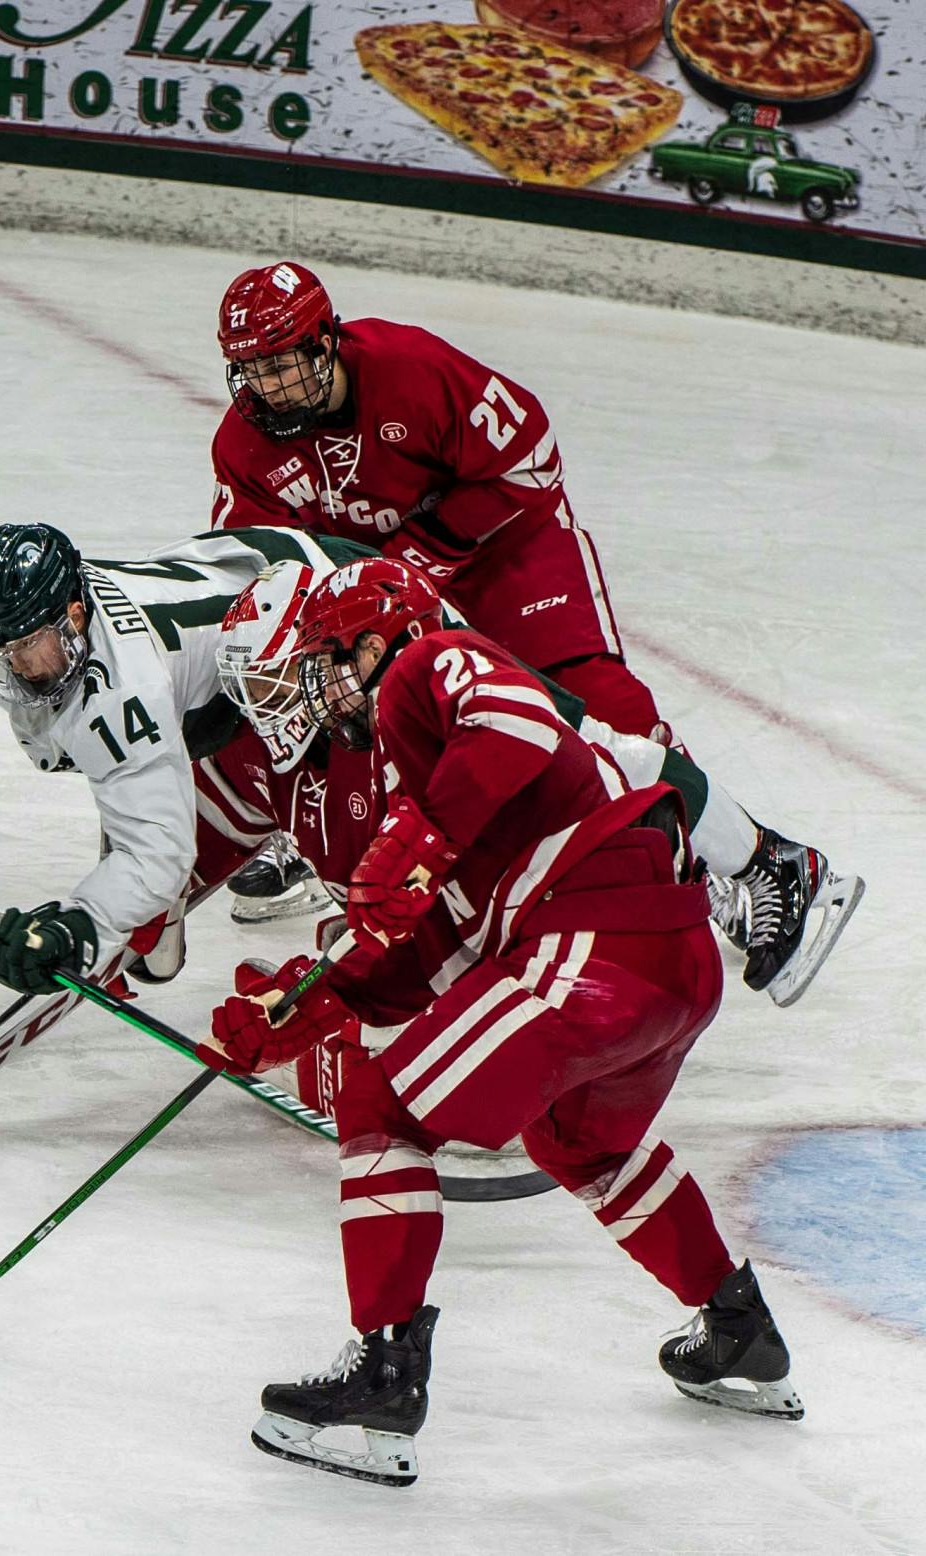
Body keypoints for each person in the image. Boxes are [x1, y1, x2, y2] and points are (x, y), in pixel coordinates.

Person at [197, 558, 802, 1488]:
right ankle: (737, 1324)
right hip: (663, 965)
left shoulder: (426, 668)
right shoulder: (414, 788)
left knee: (383, 1109)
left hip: (593, 942)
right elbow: (415, 967)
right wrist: (294, 1011)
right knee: (579, 1143)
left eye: (326, 662)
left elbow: (518, 724)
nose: (318, 693)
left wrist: (426, 832)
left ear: (373, 642)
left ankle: (386, 1370)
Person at [205, 260, 861, 961]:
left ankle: (757, 863)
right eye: (250, 370)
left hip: (506, 555)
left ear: (324, 343)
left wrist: (418, 557)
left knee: (600, 714)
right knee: (341, 701)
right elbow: (262, 566)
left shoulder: (410, 371)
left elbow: (530, 460)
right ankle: (315, 838)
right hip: (385, 596)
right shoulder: (242, 446)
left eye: (280, 365)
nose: (266, 389)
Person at [198, 562, 862, 1011]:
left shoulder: (393, 647)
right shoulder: (343, 696)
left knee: (606, 749)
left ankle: (766, 861)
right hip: (399, 656)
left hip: (438, 642)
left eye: (270, 684)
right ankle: (701, 871)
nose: (265, 708)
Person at [0, 522, 346, 995]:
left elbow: (158, 851)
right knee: (148, 941)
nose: (10, 670)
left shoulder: (125, 691)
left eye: (25, 647)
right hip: (234, 578)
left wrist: (79, 927)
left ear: (74, 617)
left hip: (314, 605)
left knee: (355, 780)